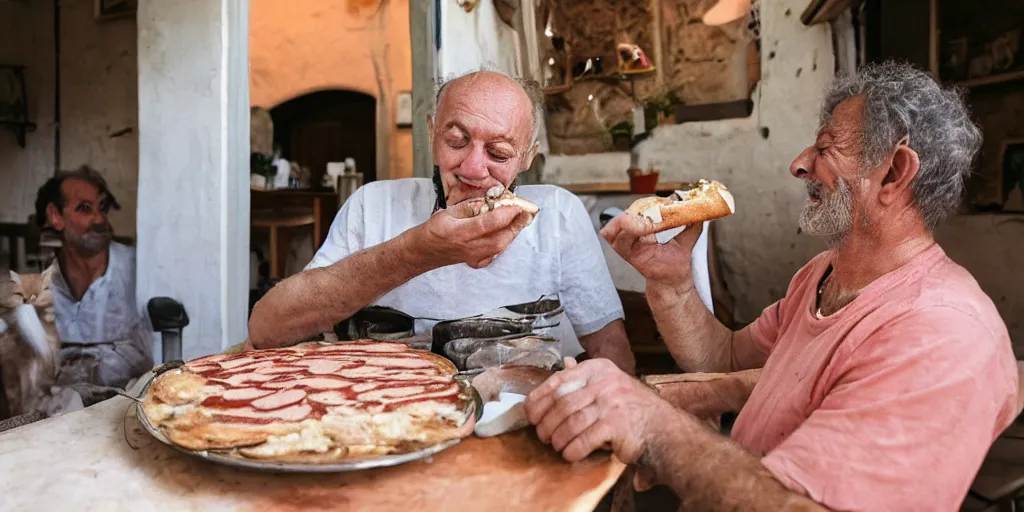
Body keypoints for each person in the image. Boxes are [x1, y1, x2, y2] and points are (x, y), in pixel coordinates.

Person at [523, 61, 1019, 510]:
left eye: (825, 148)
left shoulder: (941, 334)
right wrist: (672, 283)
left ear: (894, 171)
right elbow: (723, 358)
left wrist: (650, 424)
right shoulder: (824, 275)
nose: (799, 164)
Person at [248, 70, 635, 374]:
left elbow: (614, 359)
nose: (472, 167)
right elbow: (267, 329)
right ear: (432, 134)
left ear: (527, 156)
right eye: (456, 140)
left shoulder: (559, 217)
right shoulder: (373, 205)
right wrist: (418, 252)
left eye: (499, 152)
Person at [35, 166, 153, 405]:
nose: (99, 219)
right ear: (55, 216)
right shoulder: (44, 288)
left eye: (103, 208)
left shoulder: (140, 270)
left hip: (132, 407)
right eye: (85, 209)